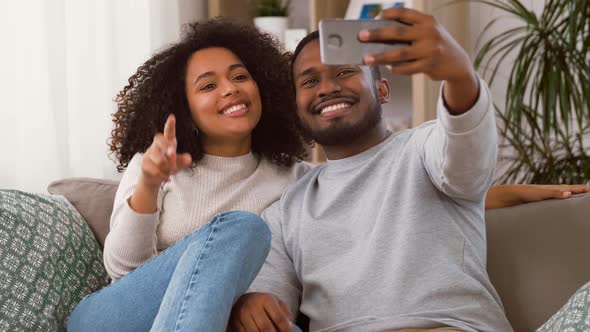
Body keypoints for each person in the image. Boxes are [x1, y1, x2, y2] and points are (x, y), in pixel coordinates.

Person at [228, 7, 517, 332]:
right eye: (309, 81)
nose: (326, 88)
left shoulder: (424, 149)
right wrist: (251, 306)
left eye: (344, 72)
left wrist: (460, 75)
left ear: (382, 90)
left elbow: (467, 160)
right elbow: (270, 303)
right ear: (297, 109)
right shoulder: (285, 212)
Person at [67, 19, 312, 332]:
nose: (230, 88)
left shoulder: (296, 178)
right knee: (242, 228)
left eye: (240, 77)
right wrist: (149, 185)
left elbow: (290, 275)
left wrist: (239, 302)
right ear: (186, 110)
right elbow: (124, 272)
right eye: (208, 86)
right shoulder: (155, 164)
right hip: (115, 318)